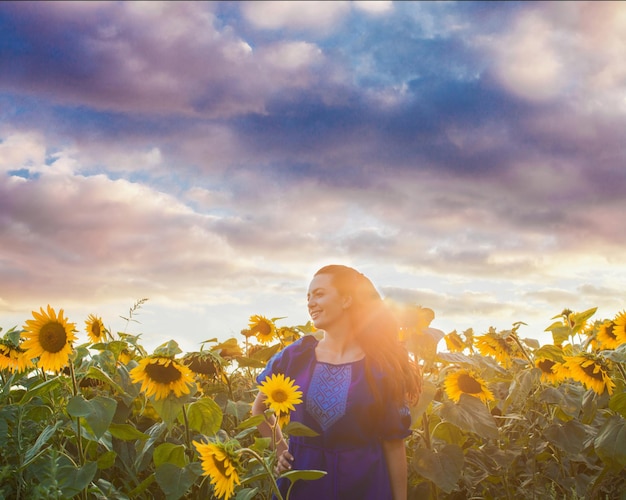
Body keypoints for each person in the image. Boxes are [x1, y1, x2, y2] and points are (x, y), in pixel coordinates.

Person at [252, 264, 422, 500]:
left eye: (319, 294)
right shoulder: (296, 356)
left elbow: (393, 443)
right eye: (308, 296)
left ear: (346, 300)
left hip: (364, 484)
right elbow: (259, 409)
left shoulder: (380, 366)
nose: (310, 302)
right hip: (302, 481)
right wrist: (282, 450)